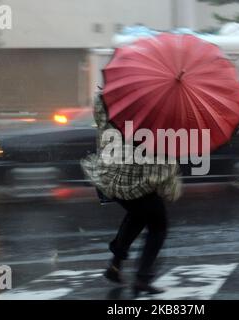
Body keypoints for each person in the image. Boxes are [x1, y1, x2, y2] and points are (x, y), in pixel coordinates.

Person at [81, 92, 182, 296]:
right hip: (134, 178)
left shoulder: (108, 100)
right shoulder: (146, 110)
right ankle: (142, 278)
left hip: (110, 174)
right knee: (157, 225)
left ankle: (115, 266)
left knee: (138, 214)